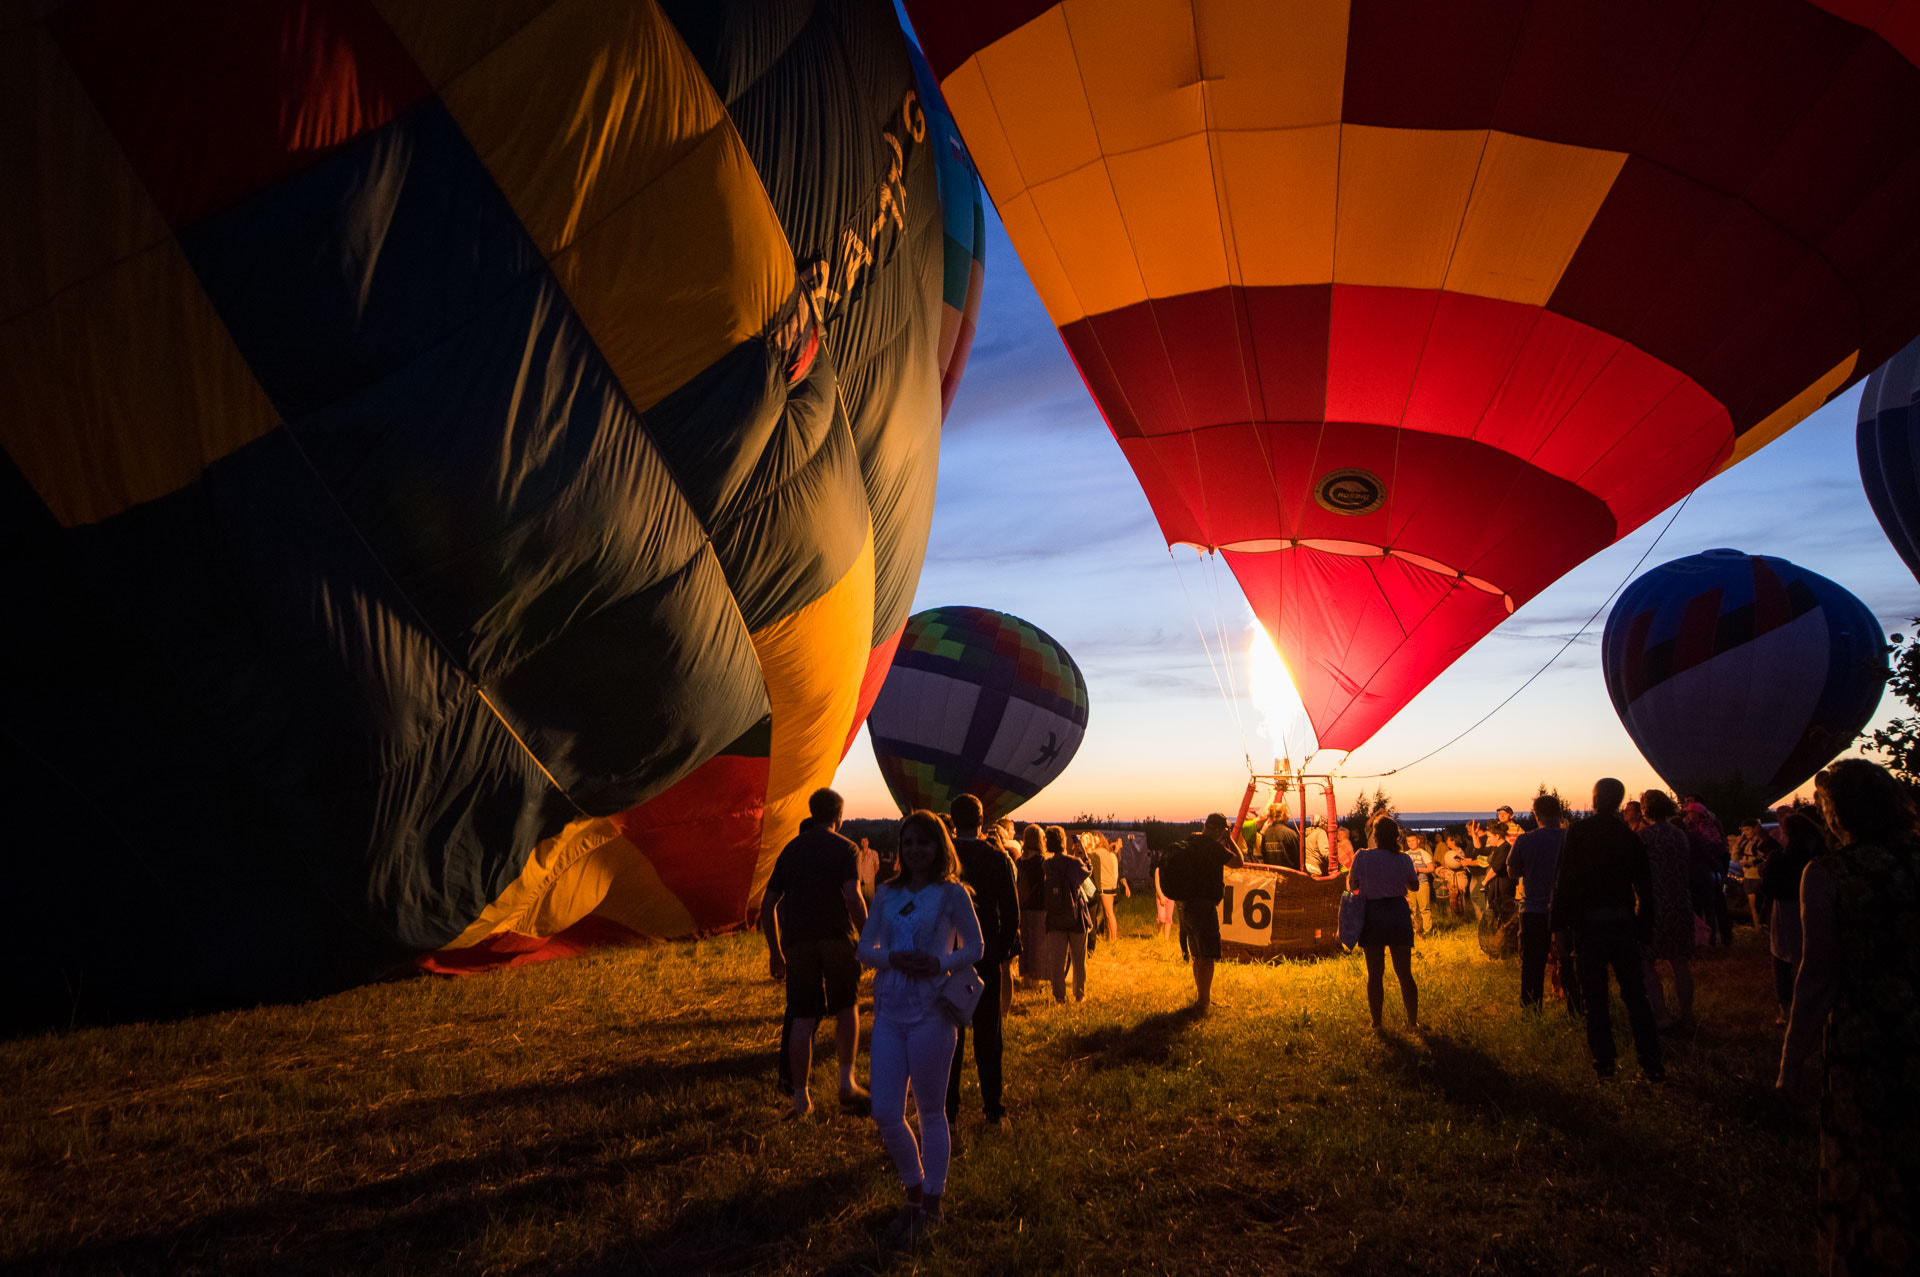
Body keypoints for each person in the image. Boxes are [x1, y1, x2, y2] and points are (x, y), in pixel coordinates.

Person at [1777, 760, 1919, 1275]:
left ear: (1836, 812)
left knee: (1865, 1169)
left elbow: (1816, 976)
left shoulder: (1831, 873)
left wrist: (1792, 1061)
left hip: (1868, 1040)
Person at [856, 809, 983, 1236]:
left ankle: (931, 1202)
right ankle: (912, 1190)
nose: (915, 850)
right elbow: (864, 947)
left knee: (931, 1111)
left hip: (931, 1012)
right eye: (908, 843)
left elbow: (976, 947)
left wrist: (938, 962)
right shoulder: (887, 894)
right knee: (885, 1111)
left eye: (924, 843)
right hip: (891, 1009)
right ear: (900, 848)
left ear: (939, 847)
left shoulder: (952, 894)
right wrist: (891, 957)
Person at [761, 788, 870, 1118]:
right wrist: (867, 936)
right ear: (839, 815)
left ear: (811, 812)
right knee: (846, 1007)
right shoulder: (846, 848)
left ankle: (801, 1098)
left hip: (798, 941)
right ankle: (846, 1082)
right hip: (837, 937)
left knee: (802, 1017)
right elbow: (852, 896)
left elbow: (768, 906)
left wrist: (775, 952)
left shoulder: (790, 850)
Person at [1549, 779, 1663, 1081]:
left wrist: (1558, 925)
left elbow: (1565, 879)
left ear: (1596, 798)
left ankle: (1605, 1063)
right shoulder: (1628, 836)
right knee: (1635, 995)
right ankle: (1651, 1064)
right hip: (1623, 922)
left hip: (1590, 925)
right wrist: (1643, 925)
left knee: (1595, 996)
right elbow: (1645, 885)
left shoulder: (1580, 833)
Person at [945, 795, 1019, 1128]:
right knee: (989, 1034)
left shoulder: (943, 859)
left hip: (947, 954)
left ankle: (948, 1108)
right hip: (985, 955)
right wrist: (999, 952)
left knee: (950, 1034)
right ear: (981, 820)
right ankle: (992, 1107)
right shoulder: (997, 858)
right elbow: (1012, 913)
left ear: (952, 819)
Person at [1166, 813, 1244, 1013]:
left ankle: (1201, 998)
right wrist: (1229, 840)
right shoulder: (1213, 848)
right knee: (1207, 956)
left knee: (1197, 955)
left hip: (1186, 906)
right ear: (1219, 830)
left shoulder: (1191, 841)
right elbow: (1239, 861)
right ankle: (1203, 1002)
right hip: (1204, 907)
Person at [1351, 817, 1420, 1030]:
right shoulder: (1403, 859)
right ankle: (1412, 1022)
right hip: (1398, 913)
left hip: (1373, 914)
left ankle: (1377, 1023)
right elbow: (1415, 886)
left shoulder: (1362, 856)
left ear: (1376, 835)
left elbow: (1353, 884)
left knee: (1375, 973)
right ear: (1396, 836)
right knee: (1404, 972)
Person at [1636, 790, 1696, 1032]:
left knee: (1646, 961)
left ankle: (1661, 1015)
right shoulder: (1680, 835)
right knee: (1680, 963)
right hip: (1681, 902)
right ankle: (1687, 1016)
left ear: (1645, 809)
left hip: (1655, 904)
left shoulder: (1644, 836)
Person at [1506, 794, 1568, 1009]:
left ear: (1536, 814)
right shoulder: (1570, 838)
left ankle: (1531, 1009)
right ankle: (1576, 1007)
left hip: (1533, 908)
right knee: (1569, 959)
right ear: (1559, 813)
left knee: (1532, 962)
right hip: (1565, 908)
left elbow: (1512, 871)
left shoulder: (1526, 840)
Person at [1761, 812, 1822, 1023]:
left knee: (1781, 961)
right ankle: (1812, 1005)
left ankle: (1786, 1010)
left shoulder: (1780, 858)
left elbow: (1768, 887)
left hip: (1786, 911)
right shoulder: (1818, 858)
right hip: (1813, 910)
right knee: (1809, 958)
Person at [1042, 825, 1093, 1003]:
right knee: (1079, 958)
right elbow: (1088, 871)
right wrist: (1083, 852)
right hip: (1076, 916)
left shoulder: (1047, 865)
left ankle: (1059, 996)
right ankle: (1079, 994)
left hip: (1055, 917)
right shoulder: (1074, 863)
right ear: (1063, 841)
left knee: (1057, 959)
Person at [1681, 801, 1733, 948]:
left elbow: (1708, 851)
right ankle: (1709, 940)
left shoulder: (1702, 829)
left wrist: (1719, 869)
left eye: (1689, 812)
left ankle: (1706, 940)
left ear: (1696, 813)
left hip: (1702, 873)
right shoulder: (1706, 827)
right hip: (1707, 872)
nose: (1687, 815)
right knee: (1708, 909)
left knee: (1704, 909)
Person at [1015, 824, 1047, 987]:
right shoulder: (1041, 862)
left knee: (1024, 945)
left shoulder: (1020, 862)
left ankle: (1025, 978)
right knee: (1037, 946)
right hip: (1038, 907)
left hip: (1022, 907)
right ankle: (1035, 980)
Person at [1089, 833, 1126, 943]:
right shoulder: (1106, 852)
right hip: (1110, 885)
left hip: (1104, 886)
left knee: (1109, 914)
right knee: (1109, 913)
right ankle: (1111, 938)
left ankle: (1114, 939)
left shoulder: (1095, 853)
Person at [1404, 832, 1436, 936]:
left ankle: (1427, 930)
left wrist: (1418, 869)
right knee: (1411, 909)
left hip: (1422, 883)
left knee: (1424, 908)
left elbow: (1431, 868)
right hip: (1409, 885)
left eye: (1413, 841)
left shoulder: (1423, 853)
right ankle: (1414, 930)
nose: (1411, 843)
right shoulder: (1406, 854)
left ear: (1418, 841)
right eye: (1409, 841)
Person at [1259, 802, 1301, 870]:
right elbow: (1298, 858)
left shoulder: (1266, 833)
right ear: (1283, 815)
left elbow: (1264, 855)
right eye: (1287, 813)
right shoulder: (1291, 834)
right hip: (1289, 875)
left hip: (1272, 874)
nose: (1289, 815)